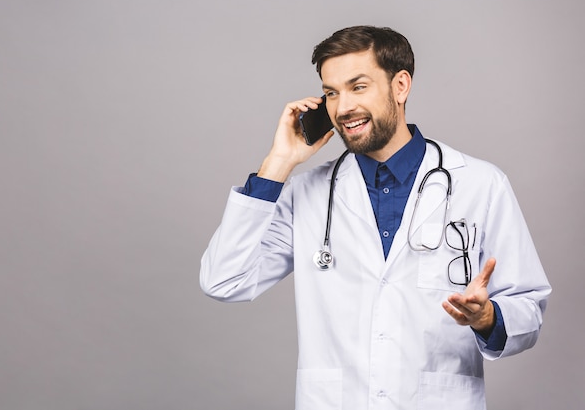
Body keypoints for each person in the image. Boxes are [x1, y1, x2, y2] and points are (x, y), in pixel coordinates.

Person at [200, 26, 551, 410]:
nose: (342, 107)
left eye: (358, 86)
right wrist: (277, 163)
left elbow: (528, 307)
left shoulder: (481, 184)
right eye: (331, 92)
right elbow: (224, 280)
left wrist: (487, 317)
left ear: (400, 86)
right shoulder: (307, 194)